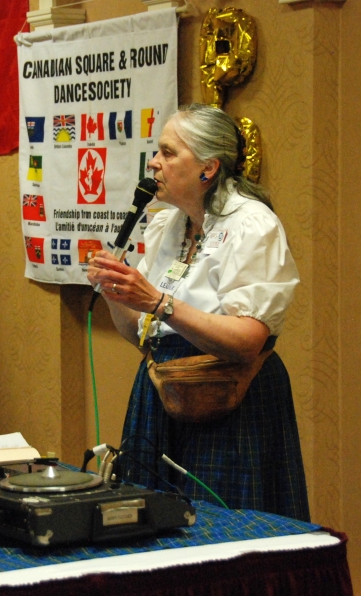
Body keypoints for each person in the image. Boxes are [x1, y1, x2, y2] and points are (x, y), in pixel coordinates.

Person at [87, 103, 310, 521]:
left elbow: (247, 341)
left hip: (228, 398)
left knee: (221, 531)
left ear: (208, 168)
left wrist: (158, 302)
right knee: (152, 528)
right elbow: (143, 335)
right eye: (158, 151)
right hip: (162, 392)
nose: (154, 162)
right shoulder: (167, 224)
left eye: (168, 153)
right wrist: (116, 291)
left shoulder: (251, 224)